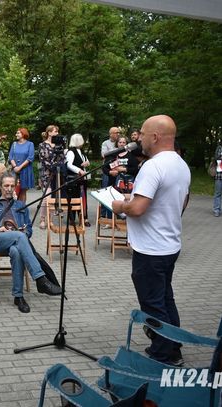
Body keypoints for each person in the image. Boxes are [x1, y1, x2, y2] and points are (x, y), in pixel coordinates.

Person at [112, 115, 190, 366]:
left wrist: (119, 205)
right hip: (170, 244)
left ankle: (161, 355)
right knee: (166, 299)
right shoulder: (180, 164)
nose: (140, 138)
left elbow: (138, 208)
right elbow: (182, 202)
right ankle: (173, 348)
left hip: (151, 249)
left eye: (143, 134)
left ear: (155, 137)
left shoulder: (153, 166)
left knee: (153, 304)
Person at [0, 172, 62, 314]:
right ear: (0, 186)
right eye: (6, 185)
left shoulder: (21, 206)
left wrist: (25, 231)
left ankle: (18, 297)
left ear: (16, 186)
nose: (9, 188)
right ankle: (40, 279)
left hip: (16, 243)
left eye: (12, 185)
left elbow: (28, 229)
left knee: (17, 250)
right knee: (19, 237)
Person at [38, 125, 64, 229]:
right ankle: (42, 219)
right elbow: (43, 159)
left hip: (57, 173)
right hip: (46, 173)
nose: (57, 133)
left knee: (54, 197)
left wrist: (58, 167)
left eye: (57, 131)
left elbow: (62, 158)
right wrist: (52, 167)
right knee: (46, 197)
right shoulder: (42, 145)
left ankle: (50, 220)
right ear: (49, 132)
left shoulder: (59, 145)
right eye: (55, 131)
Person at [66, 133, 91, 226]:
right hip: (74, 179)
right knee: (73, 198)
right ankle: (72, 218)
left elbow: (85, 161)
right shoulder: (71, 152)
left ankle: (84, 217)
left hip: (82, 179)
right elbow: (69, 164)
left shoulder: (81, 151)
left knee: (83, 198)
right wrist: (79, 170)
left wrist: (87, 163)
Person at [9, 128, 35, 202]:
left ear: (23, 134)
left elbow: (30, 157)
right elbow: (11, 157)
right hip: (15, 170)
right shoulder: (14, 144)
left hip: (25, 170)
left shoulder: (30, 144)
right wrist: (15, 167)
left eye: (18, 133)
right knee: (13, 190)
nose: (16, 134)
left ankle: (22, 209)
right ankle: (13, 208)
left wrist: (20, 167)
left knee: (23, 190)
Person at [213, 142, 222, 217]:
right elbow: (216, 158)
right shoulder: (219, 148)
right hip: (219, 174)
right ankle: (216, 210)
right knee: (218, 193)